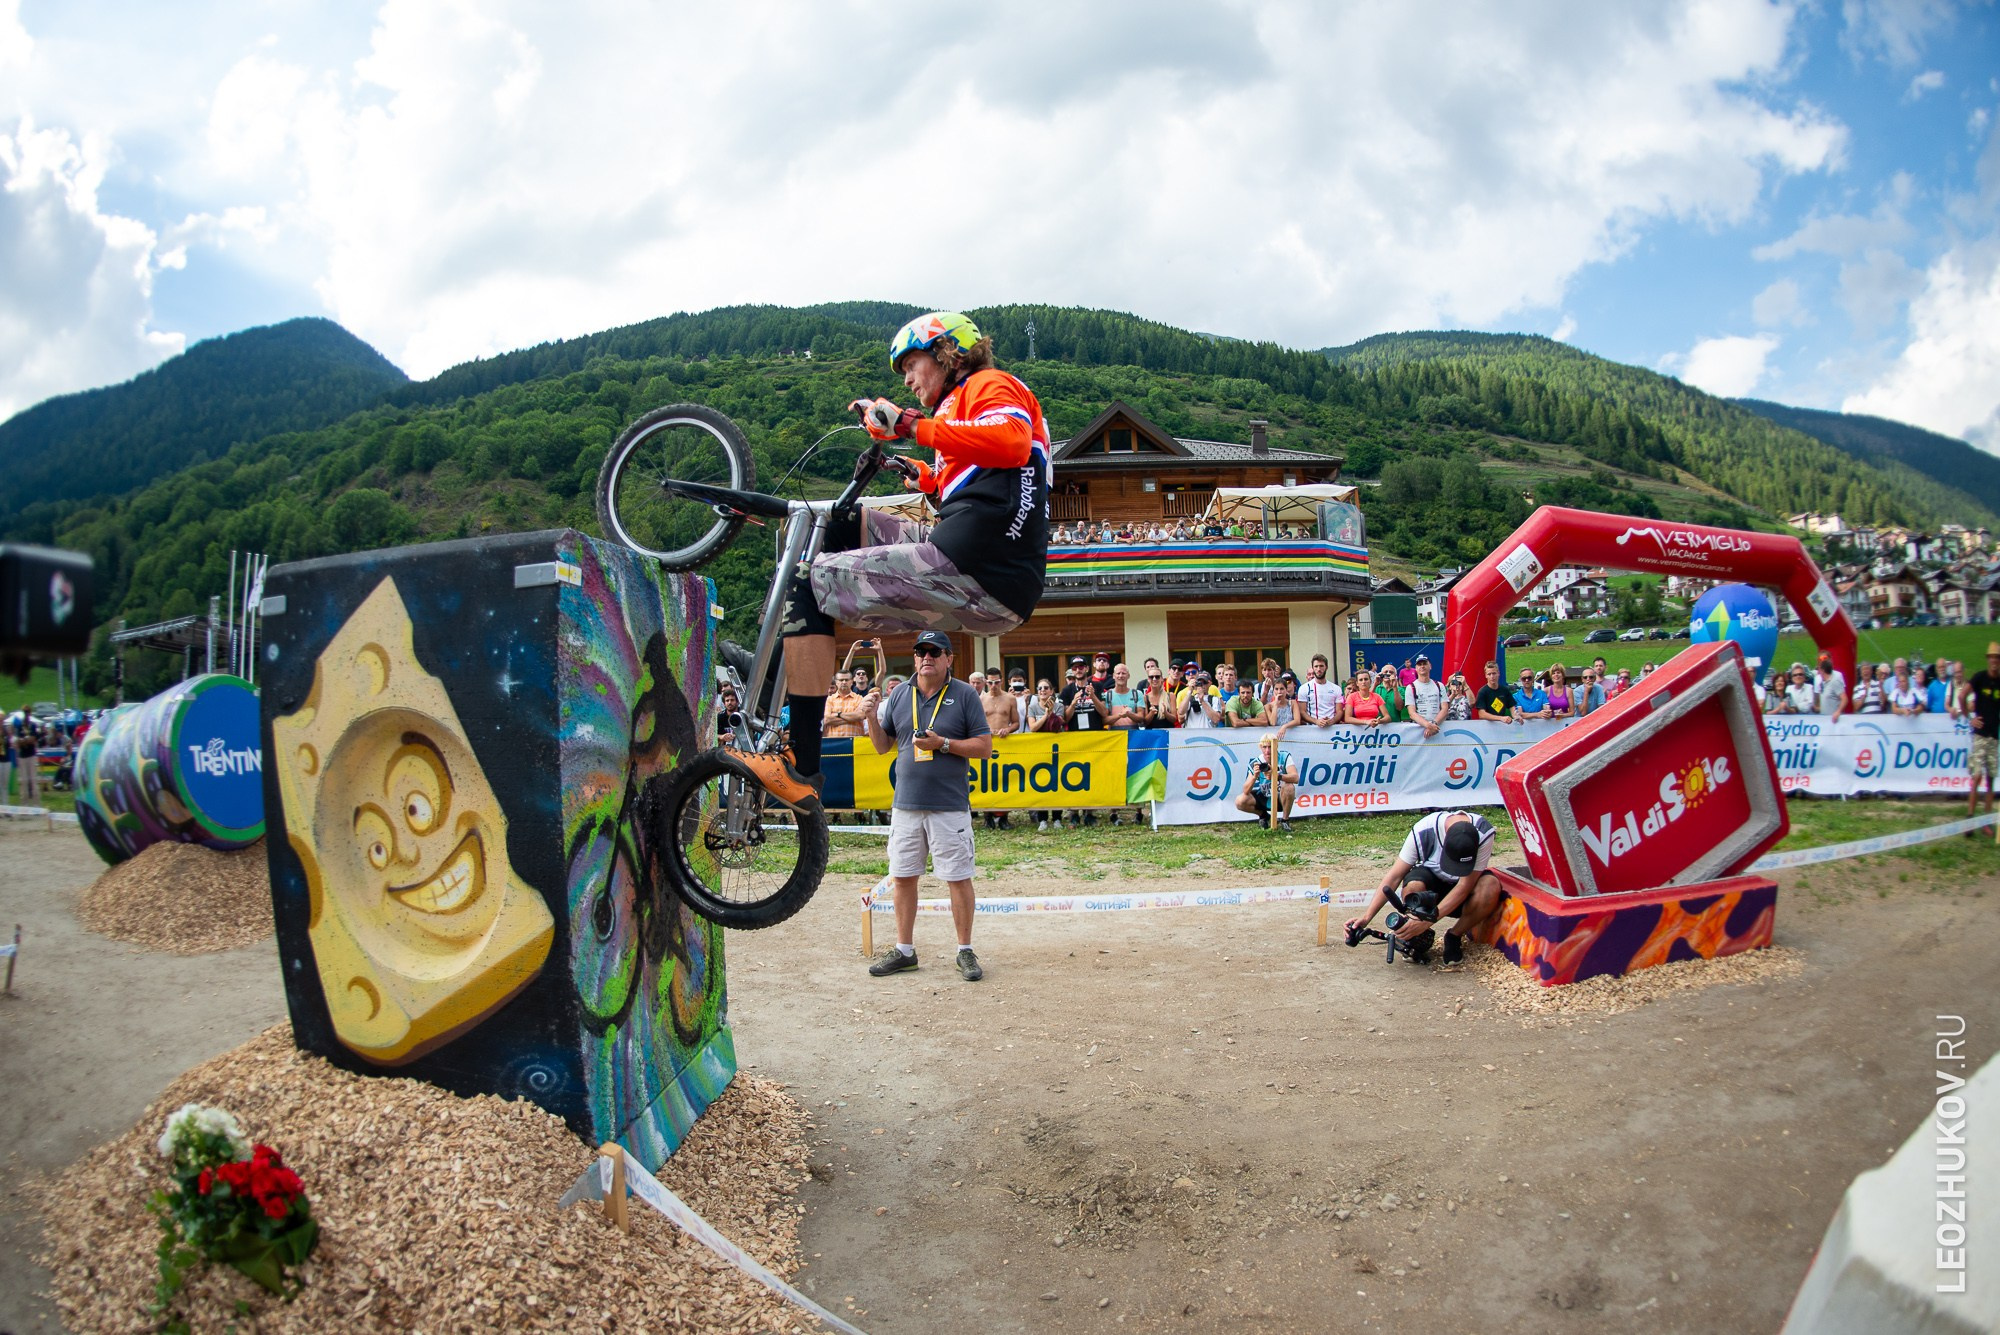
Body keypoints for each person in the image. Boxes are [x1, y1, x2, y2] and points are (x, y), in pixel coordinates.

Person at [763, 312, 1050, 802]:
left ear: (945, 352)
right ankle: (785, 660)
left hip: (977, 567)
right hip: (968, 551)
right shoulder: (958, 409)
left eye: (912, 365)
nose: (909, 380)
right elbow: (970, 482)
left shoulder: (987, 384)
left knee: (805, 582)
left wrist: (914, 426)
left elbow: (1013, 443)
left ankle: (801, 760)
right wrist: (922, 474)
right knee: (836, 522)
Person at [862, 631, 992, 981]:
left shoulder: (964, 694)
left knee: (958, 877)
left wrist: (944, 744)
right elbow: (881, 746)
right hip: (905, 804)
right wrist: (872, 717)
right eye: (921, 651)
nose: (926, 657)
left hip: (949, 805)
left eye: (935, 651)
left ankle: (965, 950)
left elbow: (984, 747)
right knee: (903, 877)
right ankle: (905, 950)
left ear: (949, 658)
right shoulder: (900, 694)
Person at [1343, 811, 1503, 968]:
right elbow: (1394, 876)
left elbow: (1464, 886)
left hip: (1463, 889)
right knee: (1413, 887)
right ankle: (1415, 935)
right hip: (1431, 886)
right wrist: (1366, 917)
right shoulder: (1423, 830)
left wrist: (1428, 920)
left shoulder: (1484, 832)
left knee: (1490, 887)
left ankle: (1454, 935)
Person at [1961, 644, 2000, 826]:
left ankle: (1986, 822)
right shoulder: (1979, 678)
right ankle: (1970, 817)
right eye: (1992, 657)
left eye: (1997, 657)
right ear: (1988, 659)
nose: (1994, 660)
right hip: (1980, 735)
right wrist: (1969, 717)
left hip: (1994, 736)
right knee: (1976, 777)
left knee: (1991, 779)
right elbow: (1962, 695)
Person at [1235, 733, 1299, 833]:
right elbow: (1245, 790)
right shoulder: (1256, 762)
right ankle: (1263, 815)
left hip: (1280, 796)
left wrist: (1278, 776)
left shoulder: (1284, 756)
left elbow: (1296, 778)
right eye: (1264, 747)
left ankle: (1285, 820)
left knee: (1289, 787)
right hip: (1265, 795)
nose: (1267, 751)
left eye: (1270, 747)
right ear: (1260, 747)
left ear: (1276, 746)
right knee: (1240, 800)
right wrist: (1254, 776)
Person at [1403, 654, 1446, 737]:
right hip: (1418, 729)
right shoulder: (1410, 687)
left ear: (1430, 666)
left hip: (1438, 728)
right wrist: (1428, 725)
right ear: (1416, 668)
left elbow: (1444, 708)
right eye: (1419, 664)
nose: (1422, 666)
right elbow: (1411, 713)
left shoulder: (1439, 685)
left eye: (1424, 664)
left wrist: (1433, 725)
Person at [823, 669, 872, 740]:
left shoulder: (859, 698)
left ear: (851, 682)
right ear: (836, 682)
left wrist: (837, 714)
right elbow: (827, 719)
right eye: (841, 680)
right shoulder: (829, 699)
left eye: (846, 680)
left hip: (856, 743)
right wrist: (853, 718)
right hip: (833, 742)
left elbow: (860, 716)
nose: (844, 682)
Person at [1298, 654, 1342, 727]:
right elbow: (1302, 711)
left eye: (1321, 666)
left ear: (1326, 667)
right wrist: (1316, 721)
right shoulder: (1304, 688)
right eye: (1316, 666)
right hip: (1312, 729)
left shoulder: (1336, 688)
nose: (1319, 669)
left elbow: (1339, 711)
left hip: (1332, 729)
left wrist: (1332, 721)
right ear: (1312, 668)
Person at [1105, 663, 1145, 730]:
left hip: (1133, 736)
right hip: (1114, 736)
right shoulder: (1107, 695)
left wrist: (1129, 714)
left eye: (1123, 673)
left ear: (1128, 676)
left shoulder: (1137, 694)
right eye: (1118, 673)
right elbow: (1104, 720)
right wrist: (1120, 715)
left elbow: (1141, 718)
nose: (1120, 676)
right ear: (1113, 676)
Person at [1814, 651, 1848, 720]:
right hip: (1824, 718)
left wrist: (1838, 712)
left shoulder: (1837, 677)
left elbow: (1843, 698)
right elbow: (1818, 699)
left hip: (1834, 718)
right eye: (1820, 659)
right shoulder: (1818, 679)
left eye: (1825, 658)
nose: (1822, 660)